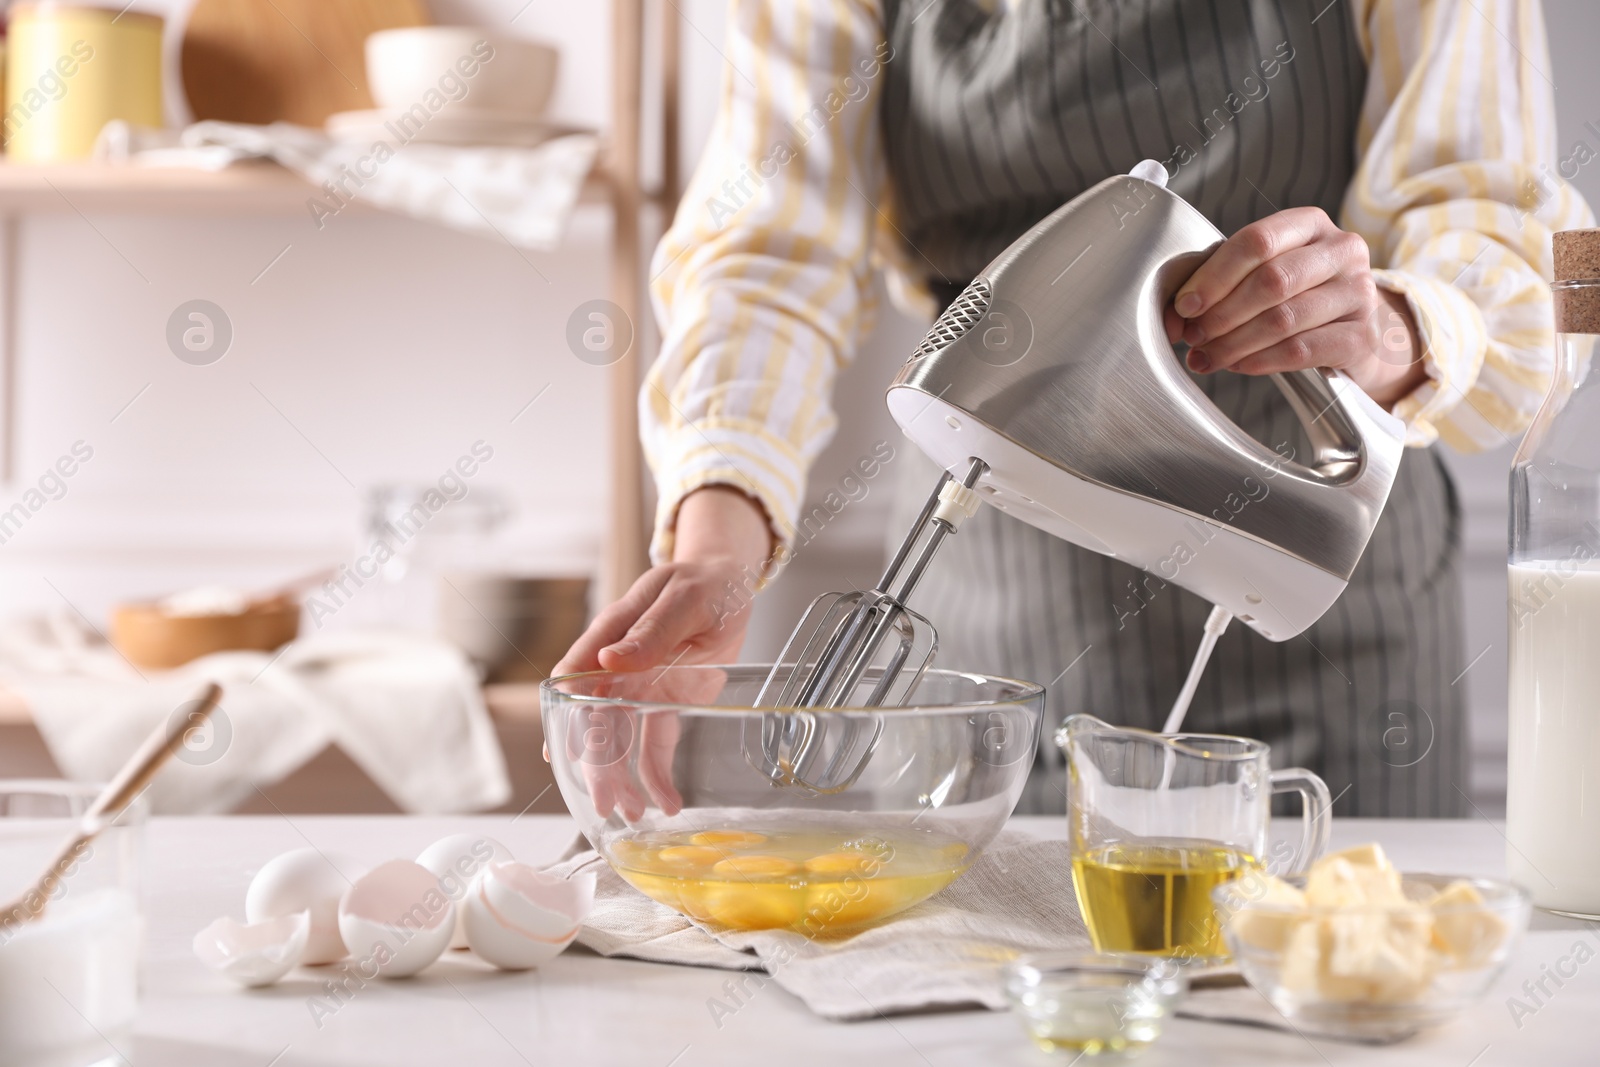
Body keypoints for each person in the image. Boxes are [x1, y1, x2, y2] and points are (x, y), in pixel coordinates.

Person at [557, 0, 1592, 817]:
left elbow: (1539, 255)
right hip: (989, 604)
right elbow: (768, 258)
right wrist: (714, 546)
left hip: (1322, 594)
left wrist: (1381, 330)